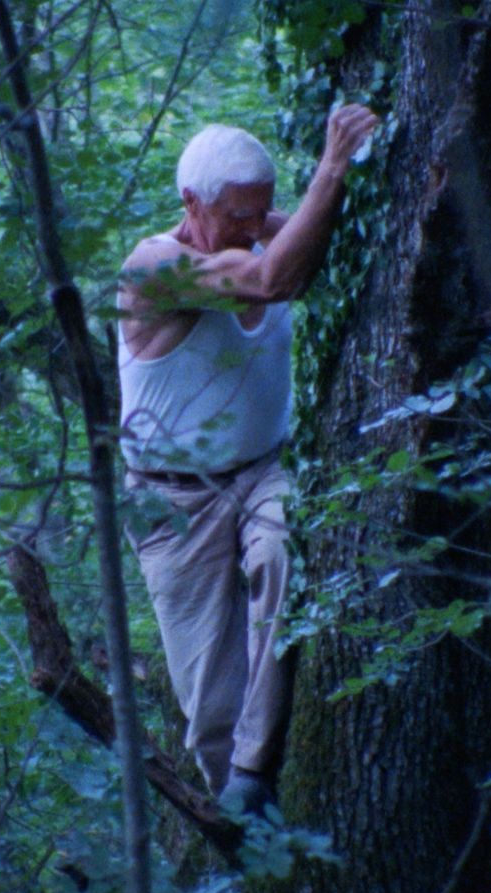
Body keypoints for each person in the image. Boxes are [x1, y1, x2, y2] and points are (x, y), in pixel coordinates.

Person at [117, 105, 379, 815]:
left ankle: (256, 770)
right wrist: (331, 167)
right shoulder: (154, 267)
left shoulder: (265, 233)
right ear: (191, 204)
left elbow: (300, 244)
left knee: (280, 549)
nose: (254, 227)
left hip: (263, 471)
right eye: (237, 215)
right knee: (208, 703)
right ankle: (240, 824)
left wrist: (335, 188)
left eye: (263, 212)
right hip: (172, 501)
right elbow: (271, 282)